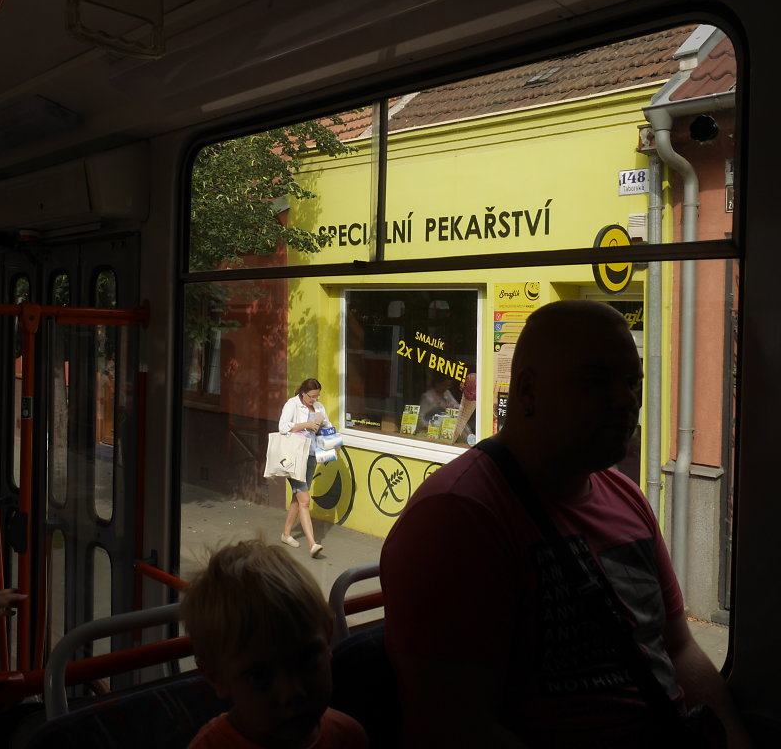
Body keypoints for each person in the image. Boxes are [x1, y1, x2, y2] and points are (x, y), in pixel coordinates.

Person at [380, 299, 752, 748]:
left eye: (632, 382)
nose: (626, 400)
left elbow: (678, 647)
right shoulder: (456, 518)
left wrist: (735, 739)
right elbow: (452, 726)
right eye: (595, 380)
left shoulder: (626, 497)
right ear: (528, 392)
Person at [180, 539, 368, 749]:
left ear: (328, 639)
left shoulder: (349, 737)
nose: (292, 693)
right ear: (215, 677)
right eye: (258, 676)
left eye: (306, 658)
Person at [279, 378, 332, 557]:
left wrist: (333, 438)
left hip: (311, 456)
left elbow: (327, 426)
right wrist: (306, 425)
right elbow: (282, 427)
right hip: (294, 457)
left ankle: (286, 534)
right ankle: (312, 543)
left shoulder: (319, 407)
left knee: (298, 496)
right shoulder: (292, 405)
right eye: (312, 396)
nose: (315, 400)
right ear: (303, 393)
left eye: (317, 396)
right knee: (305, 500)